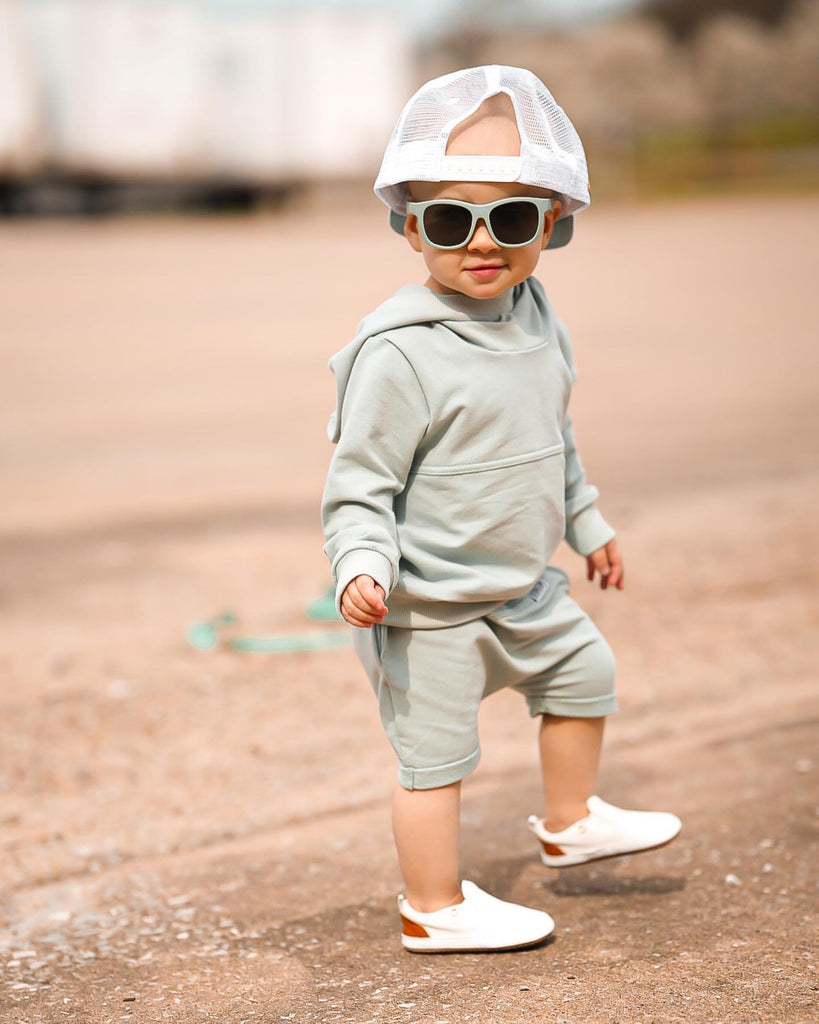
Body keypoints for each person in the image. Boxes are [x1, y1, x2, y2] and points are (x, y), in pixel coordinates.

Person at [321, 65, 681, 954]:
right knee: (435, 764)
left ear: (550, 224)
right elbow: (358, 487)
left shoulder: (535, 316)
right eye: (450, 218)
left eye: (510, 217)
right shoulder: (400, 355)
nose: (482, 241)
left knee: (584, 677)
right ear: (410, 226)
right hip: (430, 609)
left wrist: (587, 526)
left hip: (523, 590)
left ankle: (569, 820)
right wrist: (360, 564)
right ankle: (432, 907)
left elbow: (552, 441)